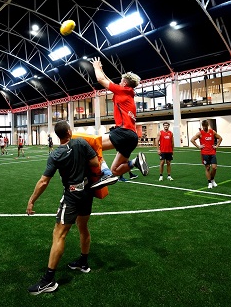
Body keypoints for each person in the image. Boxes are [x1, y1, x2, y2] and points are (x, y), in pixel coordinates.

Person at [26, 120, 100, 295]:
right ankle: (83, 262)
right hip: (87, 192)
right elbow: (95, 163)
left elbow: (44, 181)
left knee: (59, 234)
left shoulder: (55, 154)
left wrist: (31, 200)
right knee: (83, 227)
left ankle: (49, 280)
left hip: (72, 196)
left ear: (58, 136)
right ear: (69, 131)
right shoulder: (81, 143)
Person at [89, 57, 148, 189]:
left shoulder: (122, 90)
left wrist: (96, 67)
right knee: (116, 170)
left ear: (125, 83)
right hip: (132, 137)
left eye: (121, 80)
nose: (119, 82)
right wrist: (103, 70)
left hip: (123, 132)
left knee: (92, 146)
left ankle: (104, 173)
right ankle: (135, 162)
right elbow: (109, 81)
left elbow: (101, 80)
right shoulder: (127, 92)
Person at [191, 119, 223, 189]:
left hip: (212, 152)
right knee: (207, 168)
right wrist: (199, 146)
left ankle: (212, 179)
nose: (204, 127)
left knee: (214, 168)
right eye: (203, 126)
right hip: (204, 153)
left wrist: (216, 146)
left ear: (208, 125)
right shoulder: (200, 133)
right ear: (202, 126)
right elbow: (192, 140)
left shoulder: (212, 132)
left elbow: (220, 138)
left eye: (205, 126)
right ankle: (209, 182)